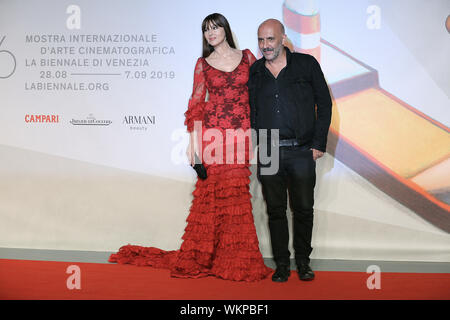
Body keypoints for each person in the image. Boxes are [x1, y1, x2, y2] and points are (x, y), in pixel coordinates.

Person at [109, 13, 272, 282]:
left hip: (240, 137)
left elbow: (261, 95)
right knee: (213, 200)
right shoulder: (203, 64)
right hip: (213, 139)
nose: (211, 33)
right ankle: (209, 258)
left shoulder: (247, 58)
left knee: (237, 199)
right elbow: (196, 107)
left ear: (225, 29)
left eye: (215, 27)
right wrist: (193, 146)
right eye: (206, 30)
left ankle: (234, 260)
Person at [247, 19, 332, 282]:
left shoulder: (306, 65)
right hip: (270, 149)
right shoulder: (256, 72)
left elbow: (324, 104)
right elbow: (253, 109)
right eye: (261, 40)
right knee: (274, 210)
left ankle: (303, 263)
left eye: (270, 39)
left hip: (302, 149)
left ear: (283, 38)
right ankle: (282, 265)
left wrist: (318, 143)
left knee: (304, 209)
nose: (265, 46)